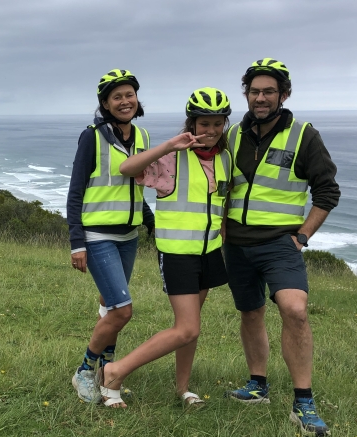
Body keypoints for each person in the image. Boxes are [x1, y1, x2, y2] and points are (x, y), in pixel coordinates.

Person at [222, 58, 340, 436]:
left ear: (283, 95)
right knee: (251, 313)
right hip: (236, 245)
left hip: (279, 244)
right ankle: (257, 385)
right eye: (254, 91)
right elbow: (218, 185)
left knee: (295, 310)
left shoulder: (304, 135)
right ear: (247, 94)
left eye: (268, 91)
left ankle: (303, 401)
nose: (260, 98)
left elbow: (327, 190)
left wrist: (303, 235)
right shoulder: (233, 134)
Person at [96, 87, 234, 408]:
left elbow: (221, 204)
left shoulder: (226, 158)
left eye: (217, 124)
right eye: (204, 124)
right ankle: (115, 372)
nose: (211, 131)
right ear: (191, 125)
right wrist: (170, 144)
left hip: (209, 253)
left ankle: (183, 388)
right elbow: (128, 168)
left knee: (192, 328)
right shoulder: (172, 159)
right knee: (186, 328)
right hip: (177, 254)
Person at [67, 69, 155, 404]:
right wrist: (77, 242)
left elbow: (136, 189)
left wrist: (150, 223)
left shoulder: (142, 137)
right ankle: (85, 371)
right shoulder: (92, 136)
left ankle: (107, 374)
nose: (124, 101)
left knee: (109, 307)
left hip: (128, 235)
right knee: (122, 311)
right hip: (98, 235)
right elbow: (76, 191)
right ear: (105, 103)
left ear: (137, 98)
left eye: (129, 94)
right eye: (116, 97)